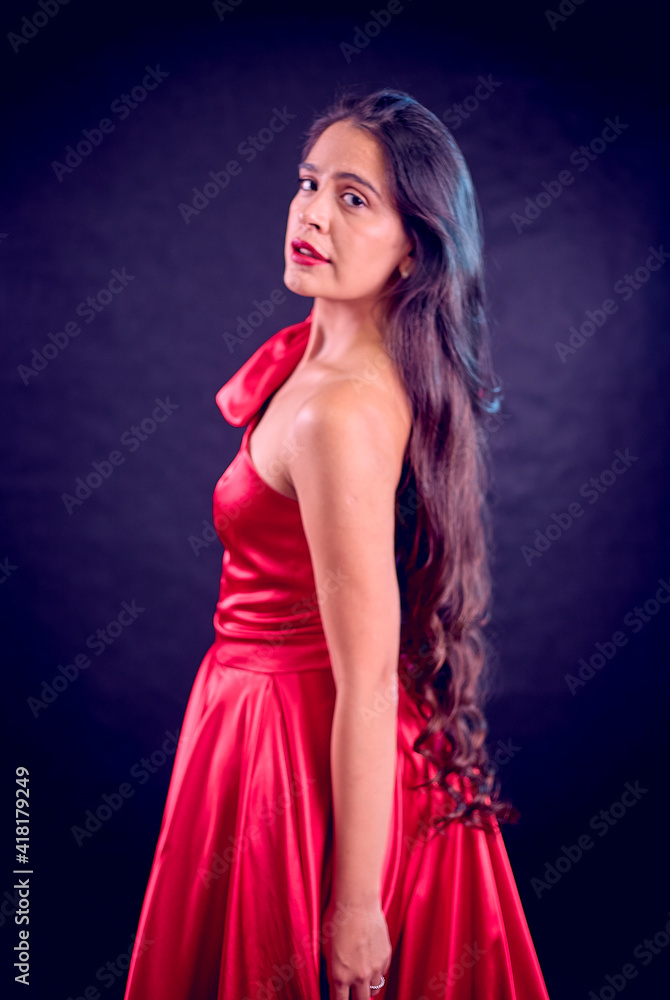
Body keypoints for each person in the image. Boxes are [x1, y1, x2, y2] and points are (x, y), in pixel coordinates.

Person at [123, 88, 551, 1000]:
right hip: (260, 720)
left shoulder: (341, 412)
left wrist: (356, 905)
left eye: (354, 198)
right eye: (309, 182)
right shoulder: (321, 368)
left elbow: (364, 676)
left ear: (413, 248)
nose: (312, 213)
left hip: (297, 739)